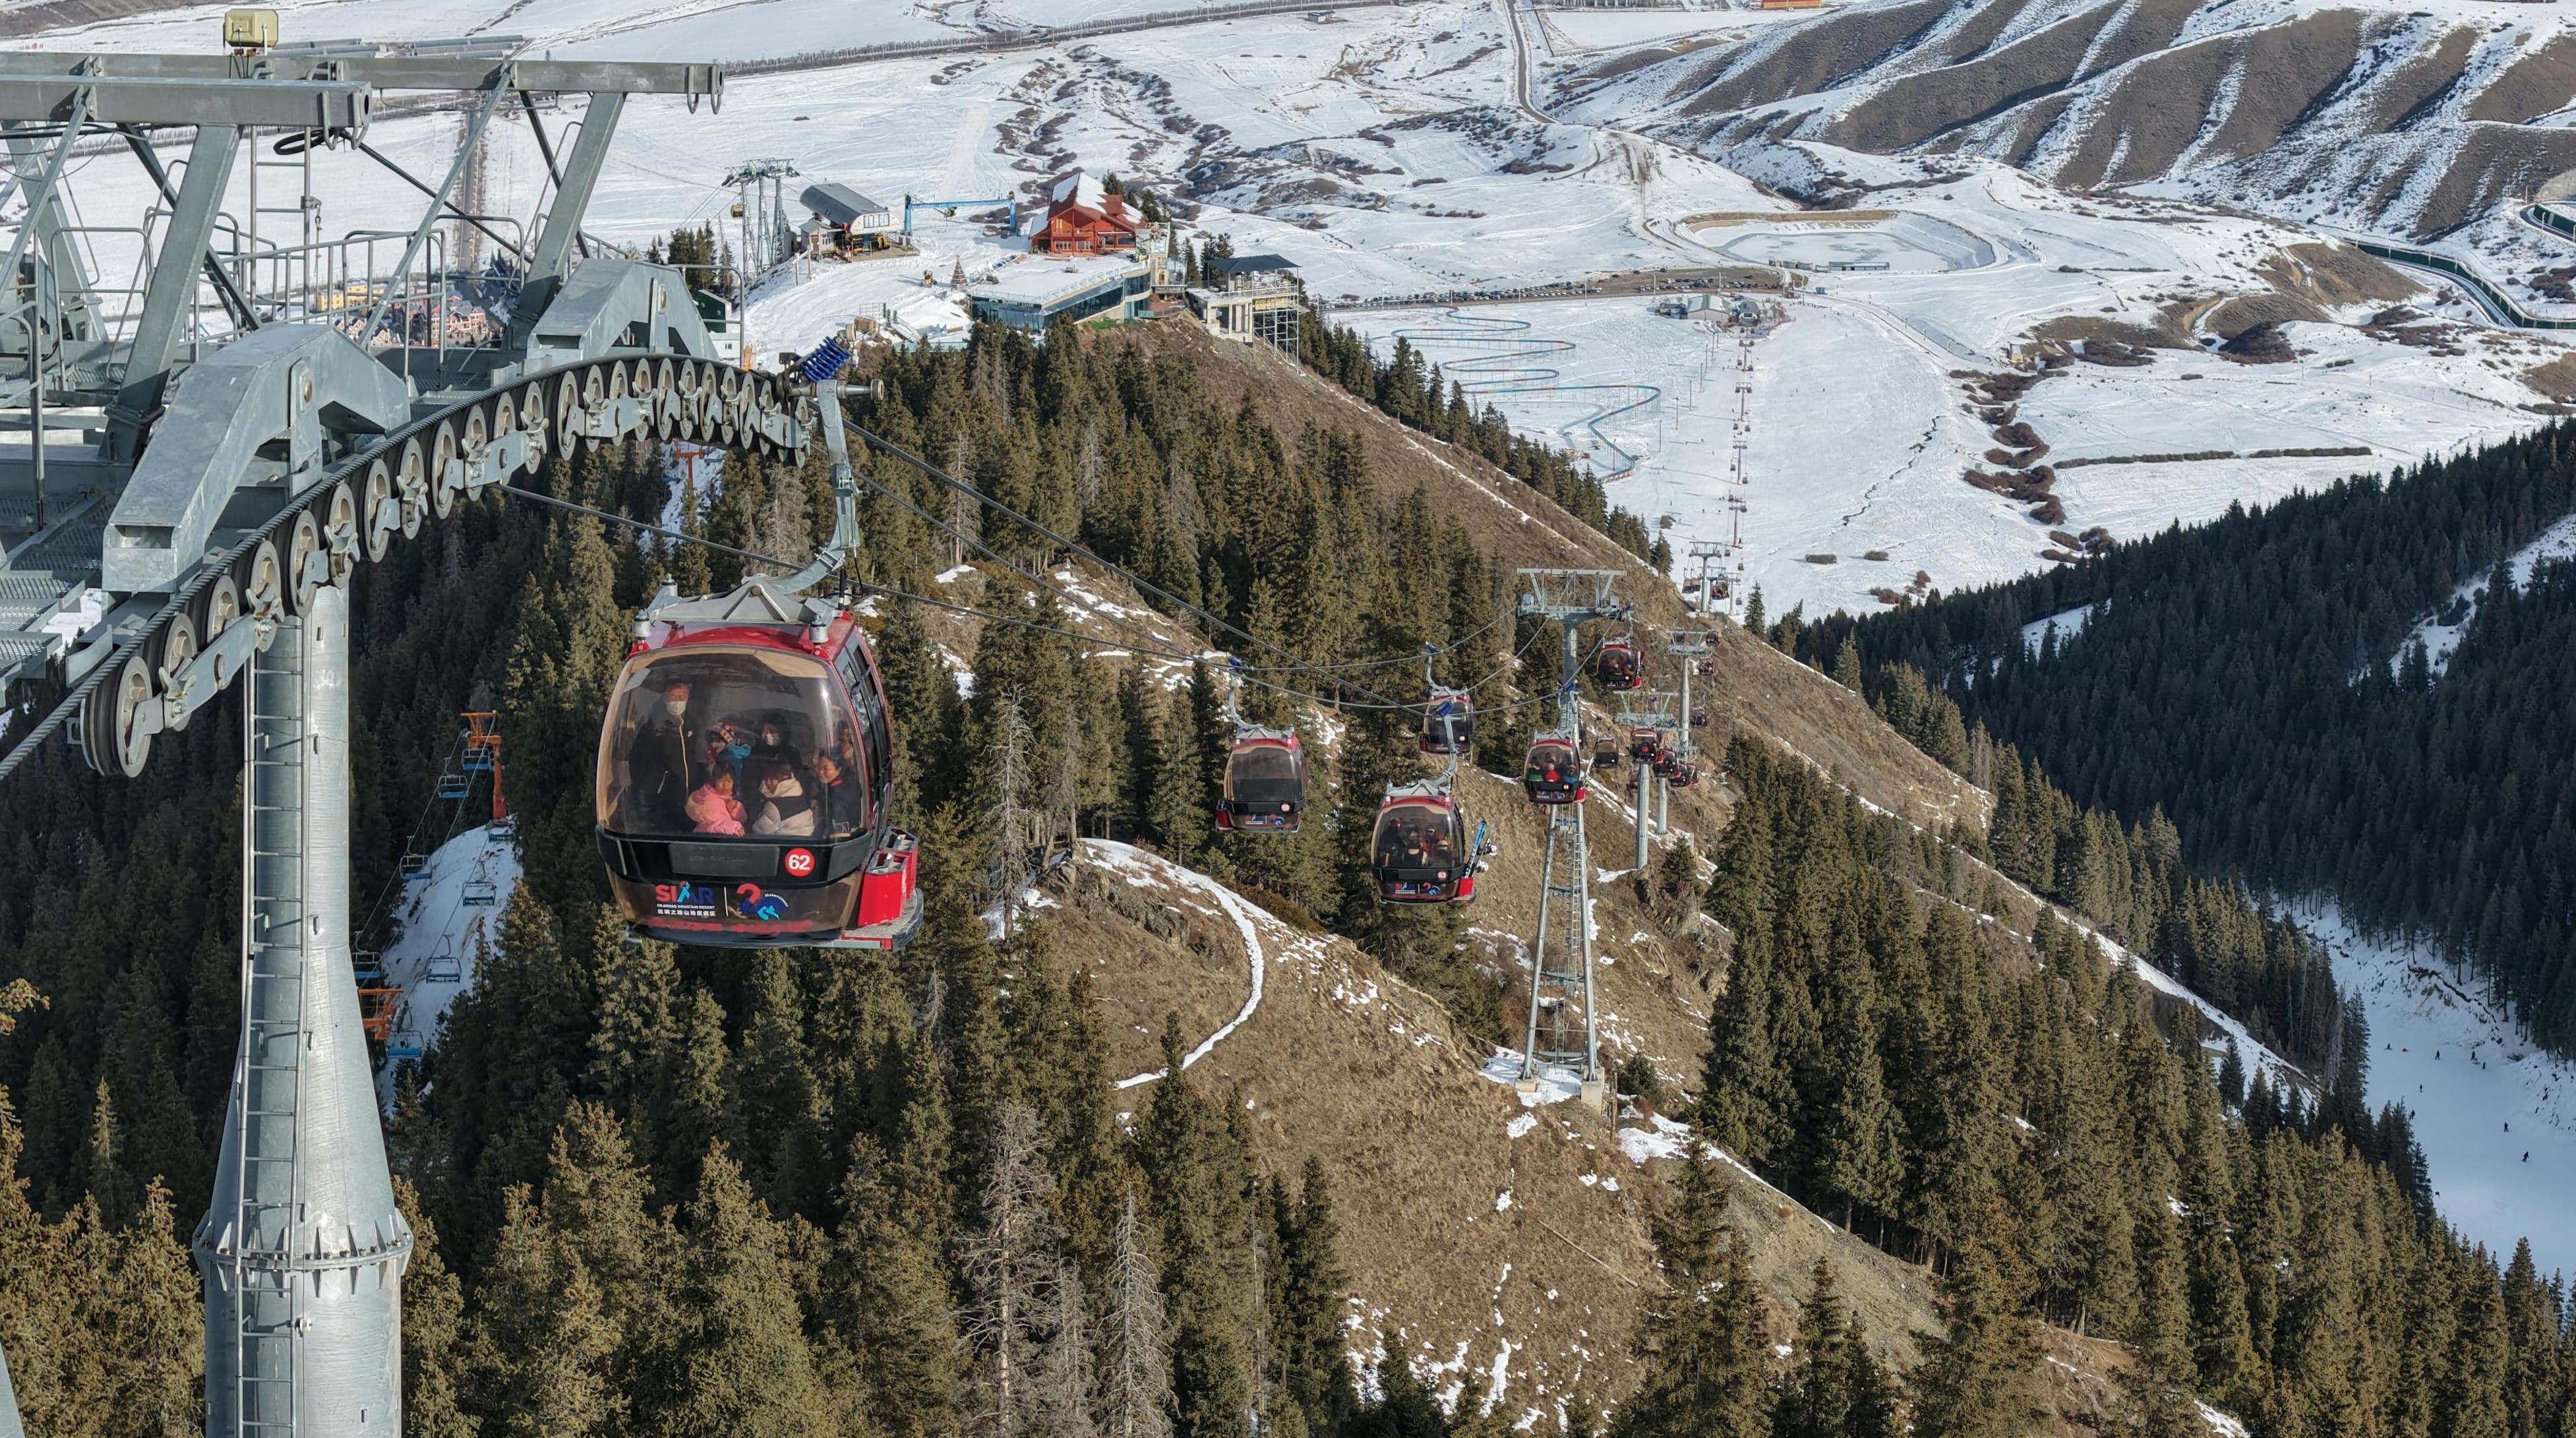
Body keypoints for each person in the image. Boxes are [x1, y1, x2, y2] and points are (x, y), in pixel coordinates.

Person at [628, 680, 700, 830]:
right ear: (664, 698)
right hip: (662, 804)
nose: (677, 702)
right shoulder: (653, 726)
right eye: (673, 698)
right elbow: (638, 762)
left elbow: (693, 758)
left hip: (689, 801)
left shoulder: (691, 723)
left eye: (681, 698)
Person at [751, 759, 818, 837]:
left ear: (782, 781)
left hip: (785, 845)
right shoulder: (802, 795)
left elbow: (761, 831)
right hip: (806, 842)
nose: (768, 783)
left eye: (772, 779)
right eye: (766, 779)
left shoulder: (774, 806)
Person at [814, 749, 862, 835]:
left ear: (839, 769)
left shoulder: (837, 797)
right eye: (818, 767)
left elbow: (839, 833)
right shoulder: (848, 776)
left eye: (826, 769)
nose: (821, 772)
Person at [686, 771, 746, 835]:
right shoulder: (707, 798)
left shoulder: (730, 798)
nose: (725, 785)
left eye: (729, 781)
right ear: (714, 781)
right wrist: (732, 827)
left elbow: (743, 820)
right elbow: (707, 828)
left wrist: (734, 808)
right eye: (721, 781)